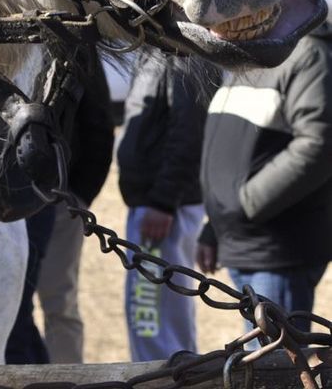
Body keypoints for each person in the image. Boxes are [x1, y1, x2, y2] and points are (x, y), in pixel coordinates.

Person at [197, 21, 332, 327]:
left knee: (277, 365)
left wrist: (244, 205)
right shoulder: (252, 55)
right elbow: (236, 154)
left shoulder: (308, 53)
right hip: (245, 243)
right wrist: (215, 227)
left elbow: (319, 145)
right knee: (259, 363)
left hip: (278, 252)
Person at [5, 51, 115, 364]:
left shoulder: (70, 46)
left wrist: (78, 195)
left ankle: (68, 376)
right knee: (15, 308)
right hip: (5, 200)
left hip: (58, 198)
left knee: (59, 302)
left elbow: (98, 123)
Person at [118, 52, 219, 362]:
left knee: (155, 321)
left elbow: (189, 134)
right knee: (150, 317)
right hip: (152, 204)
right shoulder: (155, 52)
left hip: (164, 210)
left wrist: (163, 202)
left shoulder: (184, 57)